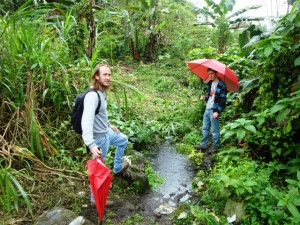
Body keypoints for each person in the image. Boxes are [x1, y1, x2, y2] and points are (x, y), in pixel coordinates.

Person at [81, 64, 129, 204]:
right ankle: (94, 200)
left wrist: (109, 125)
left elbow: (100, 114)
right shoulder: (92, 96)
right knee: (98, 171)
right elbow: (86, 122)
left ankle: (118, 167)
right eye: (104, 75)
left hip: (106, 132)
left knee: (123, 139)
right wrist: (91, 144)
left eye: (109, 75)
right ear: (96, 76)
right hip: (99, 139)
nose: (108, 78)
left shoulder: (101, 92)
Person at [194, 68, 227, 154]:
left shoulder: (222, 85)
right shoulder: (210, 83)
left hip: (214, 110)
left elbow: (223, 101)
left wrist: (217, 111)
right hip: (207, 108)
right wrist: (205, 98)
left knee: (215, 129)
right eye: (209, 74)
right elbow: (211, 97)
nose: (210, 76)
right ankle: (203, 145)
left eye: (212, 73)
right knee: (205, 128)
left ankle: (215, 146)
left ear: (216, 73)